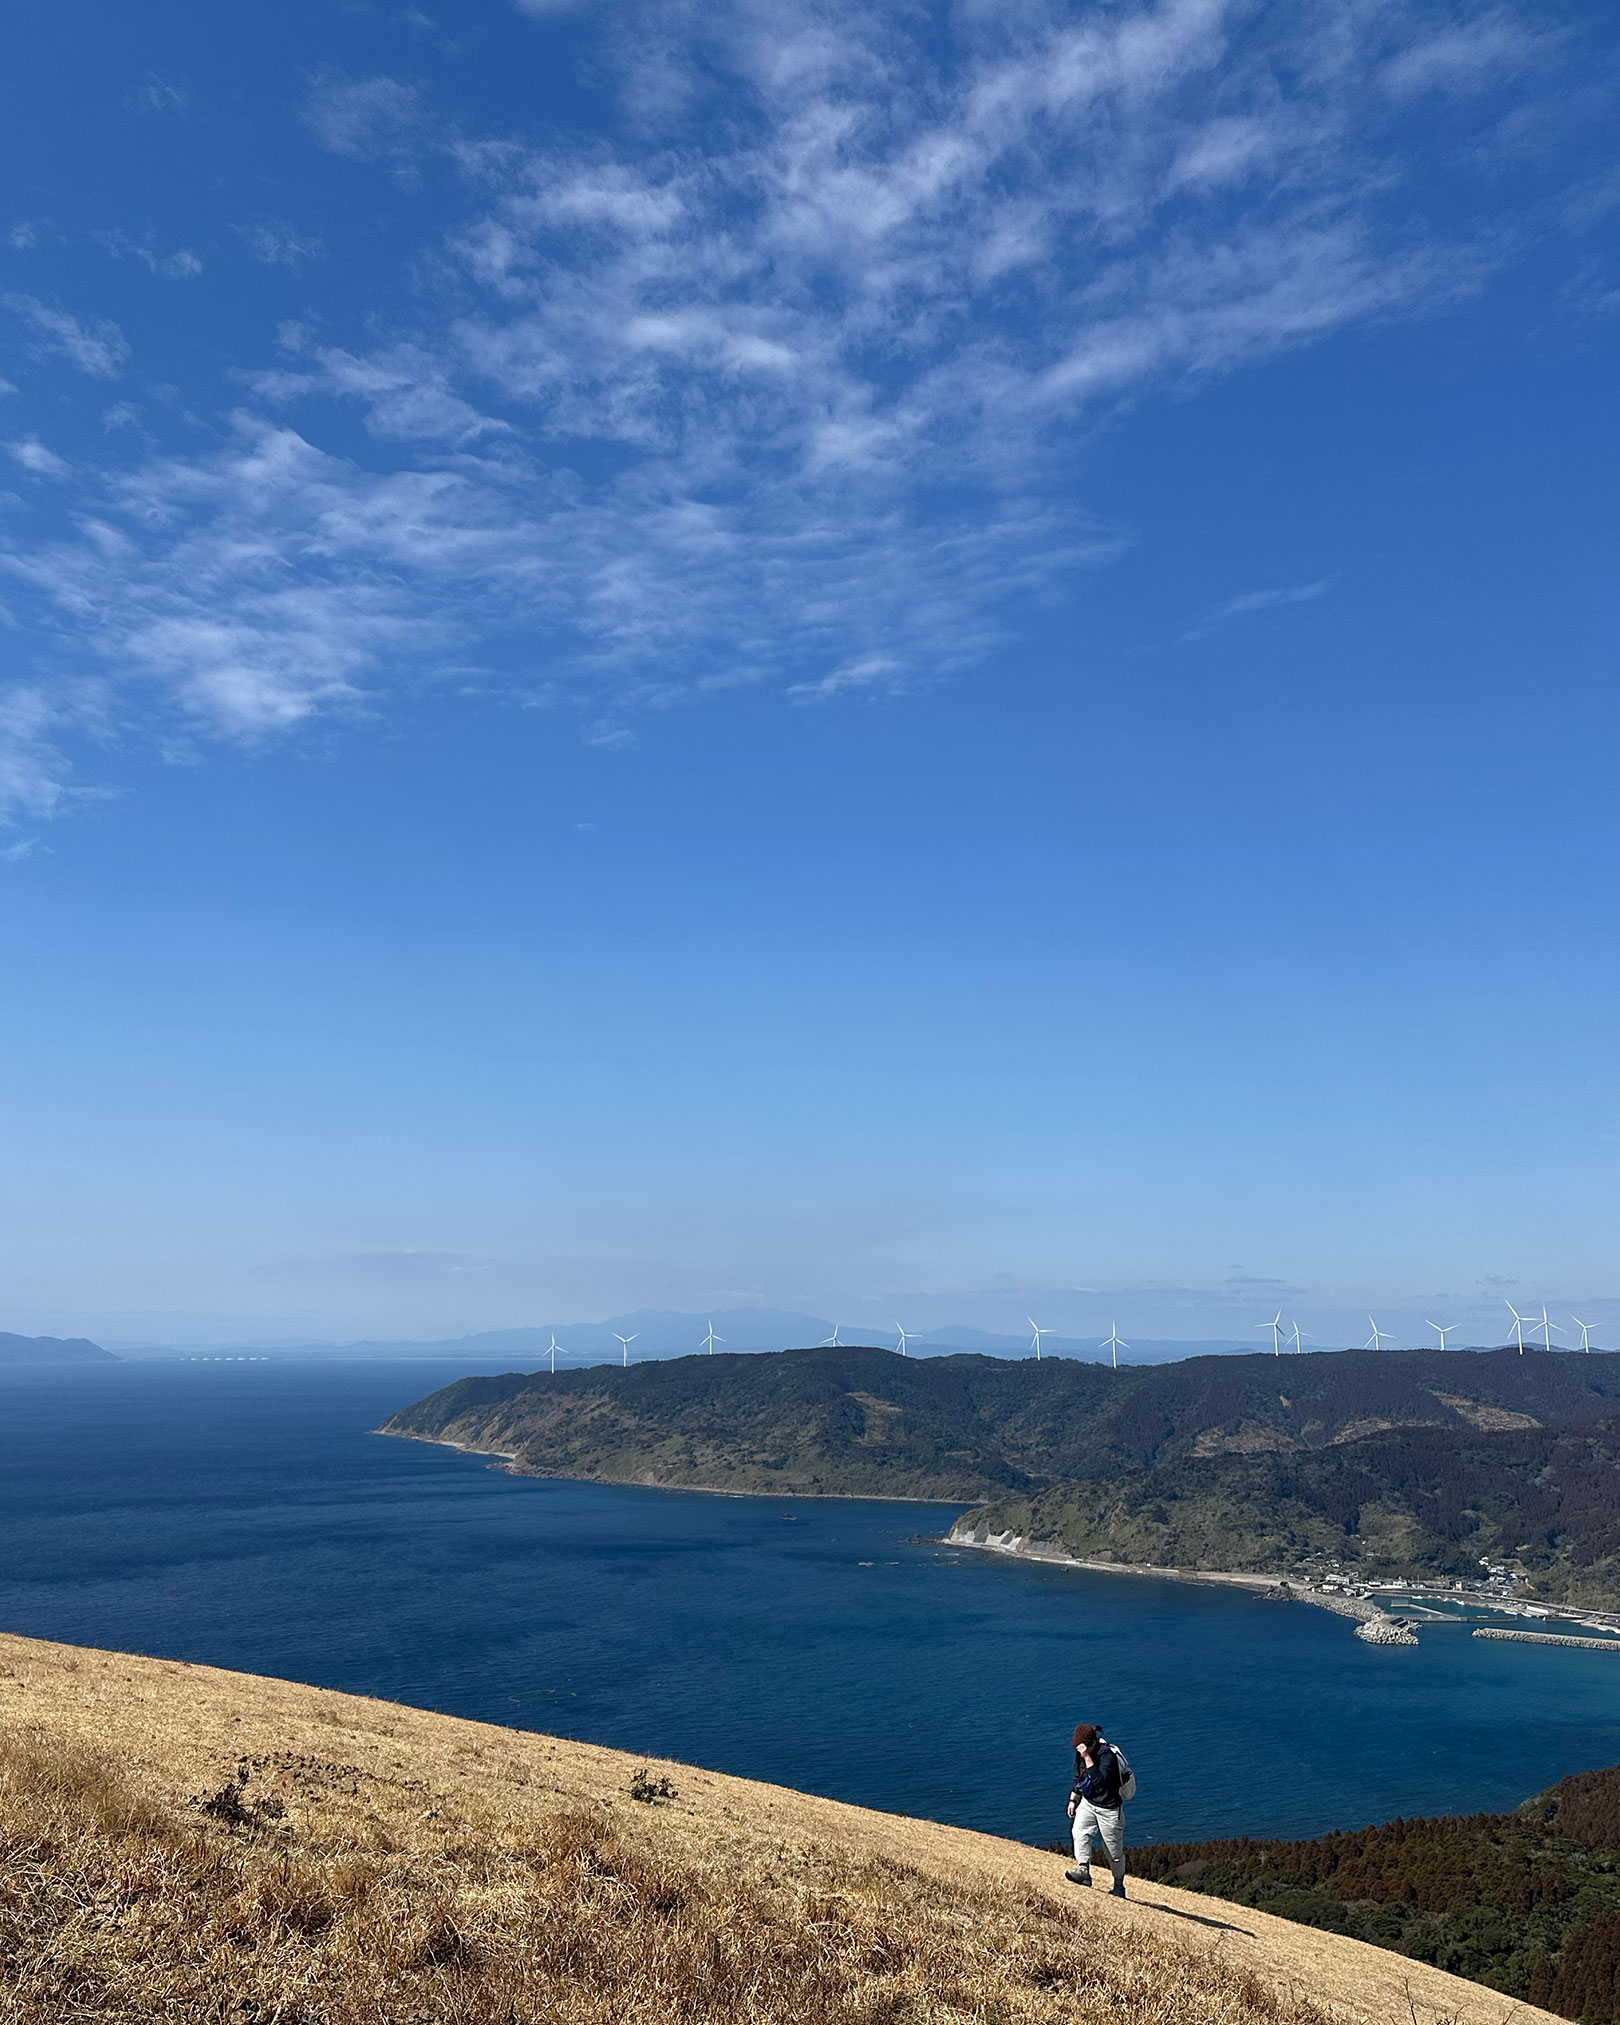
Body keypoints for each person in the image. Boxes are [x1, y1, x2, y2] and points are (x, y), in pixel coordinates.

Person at [1065, 1721, 1126, 1897]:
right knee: (1079, 1832)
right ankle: (1083, 1871)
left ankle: (1119, 1885)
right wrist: (1073, 1798)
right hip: (1089, 1803)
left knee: (1113, 1852)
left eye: (1082, 1747)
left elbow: (1101, 1783)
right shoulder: (1081, 1753)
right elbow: (1079, 1776)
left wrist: (1087, 1758)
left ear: (1092, 1743)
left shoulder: (1107, 1756)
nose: (1078, 1750)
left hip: (1109, 1808)